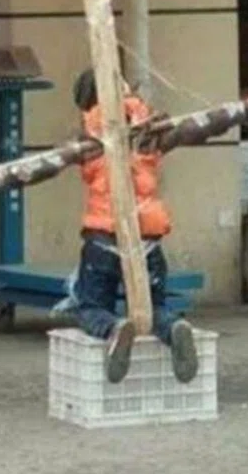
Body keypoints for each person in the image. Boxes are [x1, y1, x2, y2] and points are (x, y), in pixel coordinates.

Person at [71, 68, 199, 385]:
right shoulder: (149, 126)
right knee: (152, 308)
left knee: (90, 307)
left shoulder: (89, 131)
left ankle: (113, 328)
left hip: (103, 238)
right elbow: (187, 131)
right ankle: (173, 328)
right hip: (147, 239)